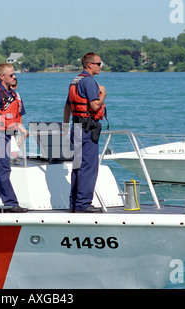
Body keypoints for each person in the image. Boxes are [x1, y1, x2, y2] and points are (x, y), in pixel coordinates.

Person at [0, 63, 29, 213]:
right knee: (2, 169)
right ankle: (10, 203)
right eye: (11, 75)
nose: (14, 77)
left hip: (7, 135)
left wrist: (20, 128)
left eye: (14, 75)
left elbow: (12, 116)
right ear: (2, 77)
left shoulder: (12, 95)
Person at [63, 52, 106, 213]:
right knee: (89, 166)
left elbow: (67, 105)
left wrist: (66, 127)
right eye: (99, 64)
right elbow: (95, 106)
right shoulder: (88, 82)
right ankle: (83, 204)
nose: (100, 66)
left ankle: (75, 202)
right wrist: (103, 95)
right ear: (90, 65)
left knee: (78, 165)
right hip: (87, 129)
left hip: (77, 127)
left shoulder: (75, 81)